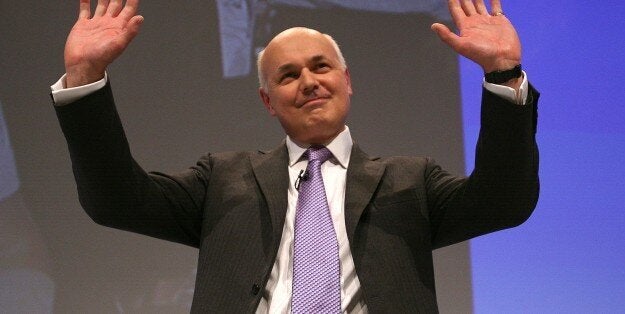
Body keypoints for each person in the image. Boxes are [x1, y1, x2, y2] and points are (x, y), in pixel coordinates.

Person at [51, 0, 539, 312]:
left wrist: (503, 74)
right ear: (268, 101)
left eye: (320, 66)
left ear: (346, 81)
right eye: (287, 75)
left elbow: (504, 201)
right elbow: (115, 200)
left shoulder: (410, 181)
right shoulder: (221, 180)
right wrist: (84, 81)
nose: (308, 81)